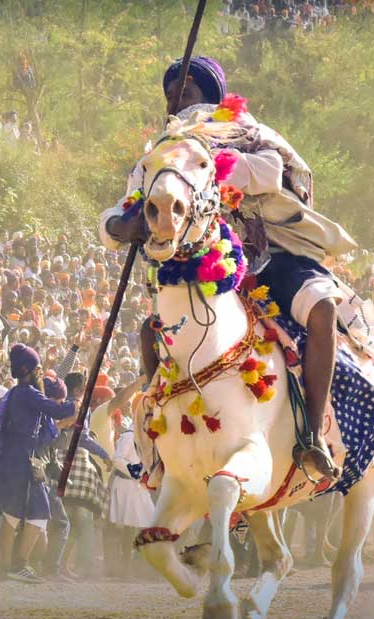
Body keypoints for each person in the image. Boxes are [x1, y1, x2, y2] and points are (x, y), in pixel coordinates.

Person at [99, 55, 354, 483]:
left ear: (212, 95)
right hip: (204, 270)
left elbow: (275, 172)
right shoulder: (160, 155)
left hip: (270, 257)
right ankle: (159, 443)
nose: (176, 100)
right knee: (151, 333)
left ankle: (310, 434)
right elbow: (119, 210)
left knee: (323, 308)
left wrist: (209, 165)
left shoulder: (242, 131)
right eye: (170, 95)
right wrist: (122, 225)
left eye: (187, 91)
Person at [0, 344, 74, 583]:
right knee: (39, 513)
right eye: (38, 367)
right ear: (29, 369)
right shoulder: (28, 393)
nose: (41, 371)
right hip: (24, 462)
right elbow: (57, 411)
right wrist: (74, 403)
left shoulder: (15, 393)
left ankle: (6, 567)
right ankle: (19, 564)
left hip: (11, 460)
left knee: (11, 514)